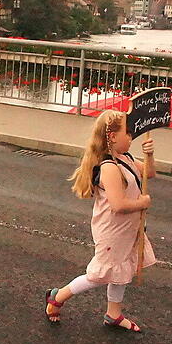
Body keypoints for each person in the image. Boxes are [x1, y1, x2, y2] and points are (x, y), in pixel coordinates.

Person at [44, 110, 155, 332]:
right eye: (128, 133)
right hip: (112, 231)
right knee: (100, 275)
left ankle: (113, 314)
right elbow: (118, 205)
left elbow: (148, 174)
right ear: (113, 136)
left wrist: (149, 155)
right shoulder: (109, 167)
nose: (132, 138)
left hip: (127, 229)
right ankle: (58, 296)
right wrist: (143, 203)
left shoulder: (127, 158)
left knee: (121, 271)